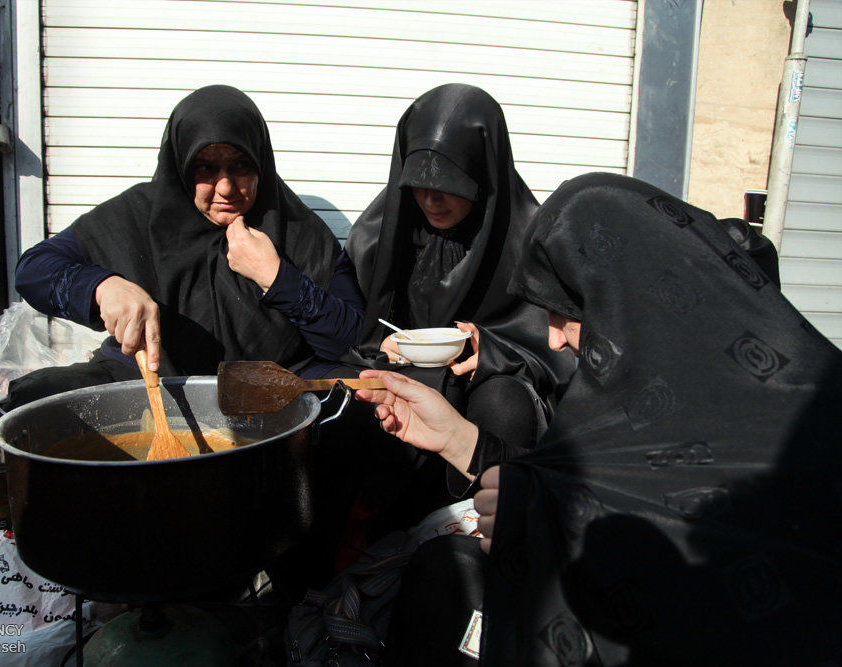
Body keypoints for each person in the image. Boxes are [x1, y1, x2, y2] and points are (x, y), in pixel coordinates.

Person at [356, 173, 842, 665]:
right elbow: (615, 485)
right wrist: (459, 441)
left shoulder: (803, 420)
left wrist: (546, 526)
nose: (554, 341)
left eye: (565, 312)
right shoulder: (668, 385)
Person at [5, 85, 364, 408]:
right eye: (205, 168)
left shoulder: (296, 230)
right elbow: (33, 269)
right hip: (148, 382)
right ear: (180, 167)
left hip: (267, 392)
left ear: (261, 164)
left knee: (362, 404)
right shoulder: (137, 217)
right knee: (33, 402)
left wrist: (277, 277)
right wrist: (101, 287)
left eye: (241, 166)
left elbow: (351, 339)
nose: (225, 187)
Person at [335, 84, 574, 540]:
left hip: (492, 384)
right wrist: (375, 342)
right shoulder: (380, 233)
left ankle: (487, 548)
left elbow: (561, 348)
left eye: (448, 184)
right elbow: (352, 321)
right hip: (406, 377)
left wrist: (496, 350)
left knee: (504, 403)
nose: (431, 200)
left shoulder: (528, 240)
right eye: (418, 184)